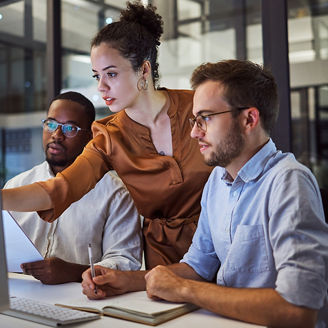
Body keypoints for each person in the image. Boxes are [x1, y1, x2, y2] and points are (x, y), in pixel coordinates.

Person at [82, 60, 328, 328]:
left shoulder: (289, 181)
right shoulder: (217, 181)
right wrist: (125, 281)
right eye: (194, 119)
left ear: (249, 119)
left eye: (205, 119)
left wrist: (185, 290)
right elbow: (198, 266)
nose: (194, 132)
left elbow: (299, 311)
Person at [2, 1, 212, 269]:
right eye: (96, 76)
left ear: (144, 70)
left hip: (221, 245)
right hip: (164, 262)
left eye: (111, 74)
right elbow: (59, 188)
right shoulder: (108, 136)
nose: (101, 87)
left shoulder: (199, 108)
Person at [4, 91, 142, 284]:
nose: (57, 135)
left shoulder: (116, 193)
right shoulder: (18, 185)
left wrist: (73, 272)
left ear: (90, 136)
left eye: (70, 128)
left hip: (82, 298)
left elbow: (126, 261)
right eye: (51, 124)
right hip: (18, 292)